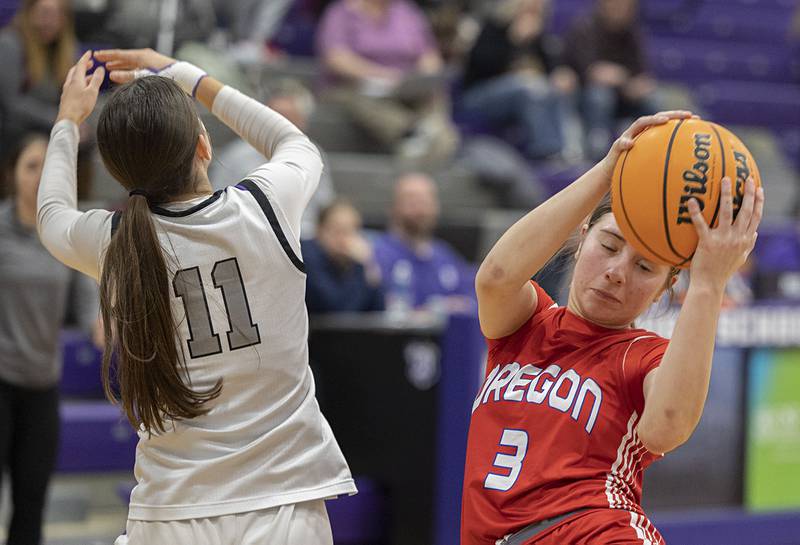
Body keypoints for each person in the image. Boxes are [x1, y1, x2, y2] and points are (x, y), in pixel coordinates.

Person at [37, 49, 356, 544]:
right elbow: (293, 141)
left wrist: (67, 121)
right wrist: (187, 76)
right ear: (204, 145)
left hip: (166, 515)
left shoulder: (114, 240)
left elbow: (52, 212)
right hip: (283, 509)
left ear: (120, 177)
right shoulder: (266, 206)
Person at [460, 110, 764, 544]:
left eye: (645, 266)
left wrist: (710, 283)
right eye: (608, 245)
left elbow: (667, 428)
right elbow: (495, 277)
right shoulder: (523, 326)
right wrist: (607, 173)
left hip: (596, 533)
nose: (617, 271)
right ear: (582, 238)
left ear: (664, 289)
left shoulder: (643, 355)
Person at [0, 133, 100, 545]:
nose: (40, 175)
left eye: (48, 166)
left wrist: (103, 324)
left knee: (32, 500)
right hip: (1, 379)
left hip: (43, 383)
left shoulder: (67, 231)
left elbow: (89, 301)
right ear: (12, 175)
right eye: (30, 166)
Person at [316, 0, 458, 163]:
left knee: (434, 91)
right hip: (355, 86)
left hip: (404, 86)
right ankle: (411, 133)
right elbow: (337, 58)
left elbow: (428, 55)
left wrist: (424, 76)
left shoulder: (407, 12)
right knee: (359, 99)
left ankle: (436, 132)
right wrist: (383, 76)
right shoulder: (341, 12)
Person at [209, 78, 335, 239]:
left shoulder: (314, 155)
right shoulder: (235, 156)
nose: (277, 124)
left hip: (304, 240)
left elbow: (325, 209)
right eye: (273, 116)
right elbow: (217, 206)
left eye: (286, 118)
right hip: (249, 237)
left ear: (302, 122)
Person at [460, 0, 576, 161]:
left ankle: (567, 152)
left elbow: (550, 69)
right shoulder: (495, 28)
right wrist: (514, 39)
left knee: (554, 90)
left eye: (537, 11)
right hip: (480, 95)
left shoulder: (538, 36)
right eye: (528, 9)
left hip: (526, 93)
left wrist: (559, 74)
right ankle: (546, 152)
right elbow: (481, 65)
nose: (532, 15)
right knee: (527, 87)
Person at [562, 0, 659, 160]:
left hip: (623, 96)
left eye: (627, 7)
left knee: (652, 100)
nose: (621, 10)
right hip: (583, 96)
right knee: (600, 95)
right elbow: (594, 73)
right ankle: (596, 151)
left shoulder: (632, 33)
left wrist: (636, 85)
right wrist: (624, 80)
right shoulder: (585, 27)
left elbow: (642, 75)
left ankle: (651, 152)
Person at [372, 172, 475, 314]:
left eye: (427, 201)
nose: (421, 209)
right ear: (393, 207)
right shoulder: (377, 253)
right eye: (411, 200)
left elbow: (473, 296)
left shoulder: (445, 254)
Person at [0, 0, 77, 151]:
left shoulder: (65, 50)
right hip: (17, 129)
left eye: (58, 15)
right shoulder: (9, 43)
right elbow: (12, 103)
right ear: (29, 13)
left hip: (49, 125)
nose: (51, 22)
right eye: (45, 13)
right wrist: (60, 119)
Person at [303, 200, 384, 313]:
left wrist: (370, 265)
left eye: (351, 231)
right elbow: (338, 310)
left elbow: (379, 310)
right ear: (319, 230)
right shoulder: (307, 257)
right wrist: (362, 266)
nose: (344, 239)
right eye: (338, 230)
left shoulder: (354, 260)